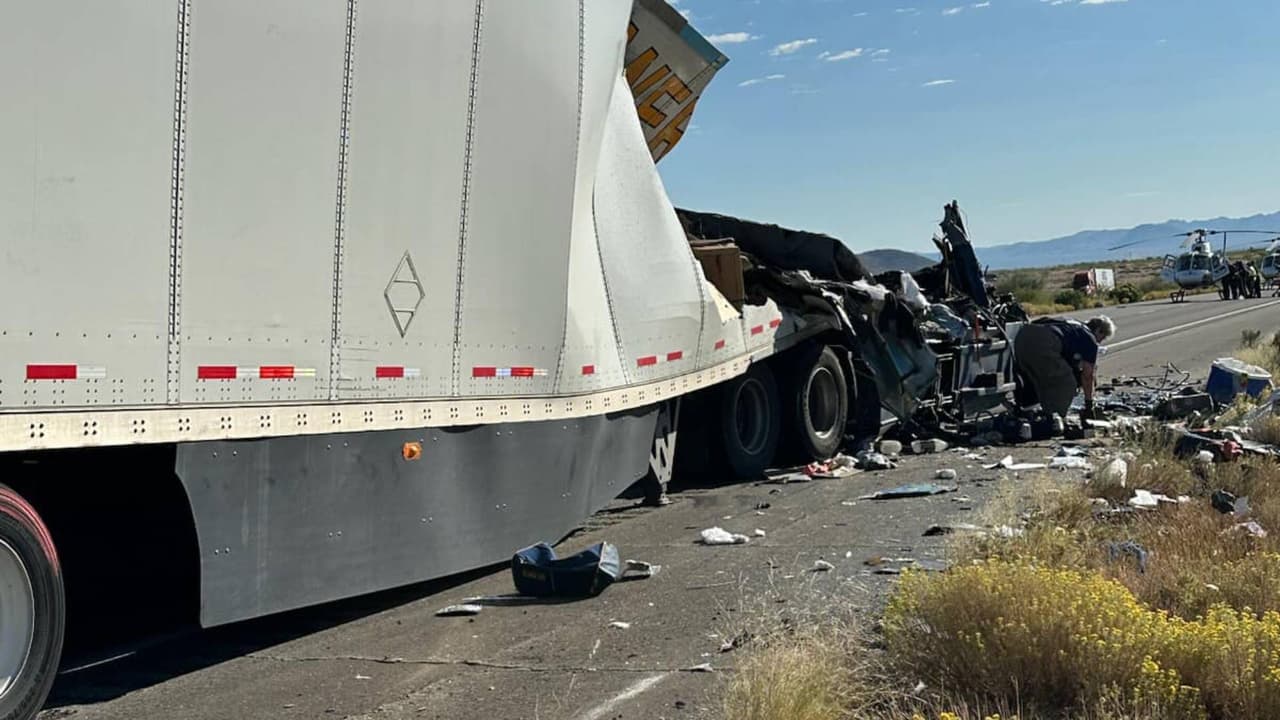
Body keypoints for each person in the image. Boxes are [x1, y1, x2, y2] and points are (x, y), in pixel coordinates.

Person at [1013, 315, 1116, 420]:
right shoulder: (1089, 338)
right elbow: (1088, 376)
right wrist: (1089, 404)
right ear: (1099, 330)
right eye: (1102, 338)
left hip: (1022, 338)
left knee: (1036, 378)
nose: (1099, 342)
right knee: (1066, 383)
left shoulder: (1072, 324)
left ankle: (1027, 412)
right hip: (1044, 341)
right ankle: (1054, 419)